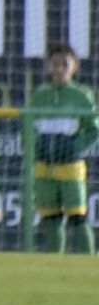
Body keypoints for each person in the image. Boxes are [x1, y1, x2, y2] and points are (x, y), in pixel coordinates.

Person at [28, 43, 99, 255]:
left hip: (70, 166)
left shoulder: (82, 95)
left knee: (77, 216)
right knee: (50, 217)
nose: (59, 69)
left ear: (74, 67)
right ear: (48, 67)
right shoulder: (40, 96)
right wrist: (36, 149)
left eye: (64, 65)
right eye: (55, 64)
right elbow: (28, 128)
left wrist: (75, 148)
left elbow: (93, 129)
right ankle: (53, 261)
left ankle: (88, 259)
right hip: (45, 167)